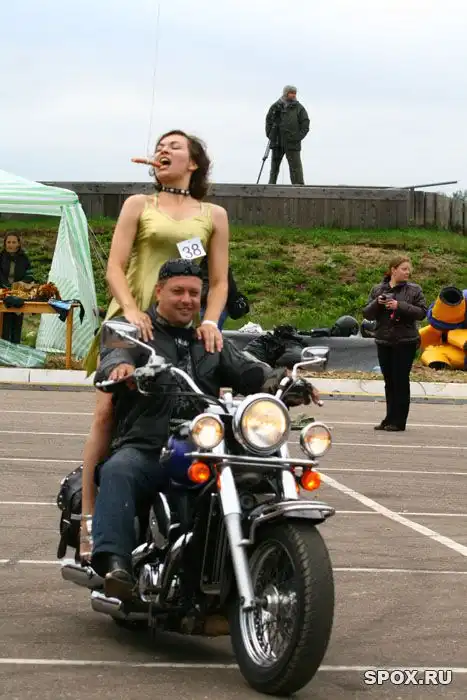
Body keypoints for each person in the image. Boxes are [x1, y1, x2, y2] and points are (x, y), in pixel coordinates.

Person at [87, 259, 321, 600]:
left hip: (204, 446)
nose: (187, 300)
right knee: (120, 469)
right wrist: (121, 368)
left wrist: (287, 382)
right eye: (178, 291)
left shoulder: (208, 339)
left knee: (258, 476)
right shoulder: (135, 329)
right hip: (148, 444)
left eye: (194, 294)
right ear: (158, 292)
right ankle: (114, 563)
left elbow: (252, 373)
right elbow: (113, 356)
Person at [79, 130, 230, 557]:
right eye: (160, 146)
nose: (163, 150)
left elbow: (218, 280)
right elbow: (114, 266)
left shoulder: (214, 215)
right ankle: (89, 518)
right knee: (106, 413)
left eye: (174, 146)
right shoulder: (138, 205)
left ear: (194, 163)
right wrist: (130, 308)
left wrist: (211, 321)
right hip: (130, 321)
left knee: (192, 411)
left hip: (180, 323)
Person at [362, 255, 427, 432]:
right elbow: (367, 313)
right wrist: (377, 303)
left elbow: (422, 313)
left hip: (405, 341)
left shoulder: (414, 290)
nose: (408, 272)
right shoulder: (378, 289)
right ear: (393, 270)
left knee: (400, 381)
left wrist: (400, 305)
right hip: (384, 341)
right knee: (389, 381)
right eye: (404, 269)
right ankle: (389, 418)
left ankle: (399, 421)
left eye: (408, 269)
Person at [265, 85, 310, 185]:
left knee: (296, 168)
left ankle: (298, 188)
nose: (293, 95)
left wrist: (297, 137)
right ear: (286, 93)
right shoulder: (275, 107)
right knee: (274, 168)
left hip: (292, 142)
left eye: (295, 93)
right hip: (277, 142)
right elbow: (268, 121)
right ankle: (270, 187)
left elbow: (305, 124)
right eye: (291, 93)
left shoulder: (299, 108)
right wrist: (271, 135)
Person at [0, 233, 34, 344]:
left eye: (14, 242)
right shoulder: (1, 257)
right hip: (3, 293)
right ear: (5, 244)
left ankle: (15, 346)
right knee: (4, 322)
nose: (11, 245)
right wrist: (8, 288)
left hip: (19, 293)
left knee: (17, 321)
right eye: (8, 242)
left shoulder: (24, 259)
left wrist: (21, 283)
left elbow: (30, 275)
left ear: (18, 244)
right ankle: (4, 347)